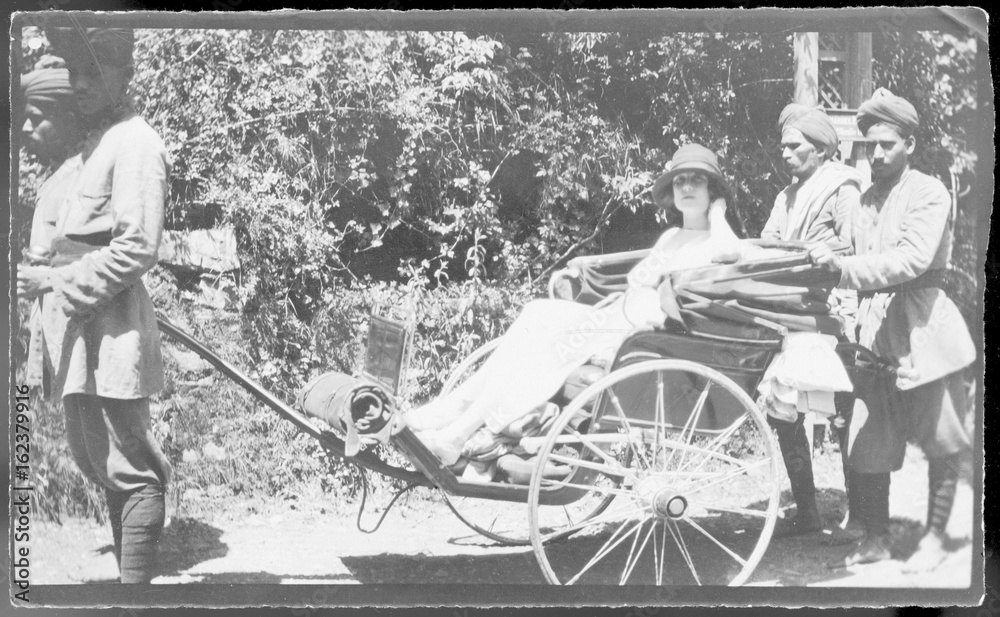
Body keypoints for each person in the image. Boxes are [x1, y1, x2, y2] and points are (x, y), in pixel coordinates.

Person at [406, 143, 740, 465]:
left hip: (645, 335)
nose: (686, 187)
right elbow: (637, 282)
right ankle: (455, 413)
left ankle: (457, 429)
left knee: (542, 348)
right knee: (535, 314)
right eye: (680, 180)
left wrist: (720, 213)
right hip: (616, 318)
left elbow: (731, 255)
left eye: (697, 180)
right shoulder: (671, 237)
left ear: (713, 191)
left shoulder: (717, 239)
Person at [17, 26, 173, 584]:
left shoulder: (136, 143)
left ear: (123, 75)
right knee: (98, 462)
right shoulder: (96, 140)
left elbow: (136, 248)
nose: (80, 82)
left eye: (94, 70)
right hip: (78, 334)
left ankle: (136, 596)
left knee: (131, 468)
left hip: (111, 331)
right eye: (74, 69)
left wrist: (56, 284)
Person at [810, 89, 975, 570]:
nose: (876, 154)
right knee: (869, 440)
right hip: (874, 332)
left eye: (887, 144)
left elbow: (910, 260)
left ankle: (936, 538)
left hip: (924, 328)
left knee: (941, 440)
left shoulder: (929, 192)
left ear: (910, 145)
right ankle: (877, 536)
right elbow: (843, 250)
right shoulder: (862, 199)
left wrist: (841, 268)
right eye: (869, 146)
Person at [761, 104, 863, 538]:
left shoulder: (844, 189)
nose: (785, 153)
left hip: (833, 313)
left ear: (821, 150)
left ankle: (858, 514)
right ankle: (808, 511)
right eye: (783, 145)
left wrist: (811, 250)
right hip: (790, 312)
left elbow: (856, 245)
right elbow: (767, 241)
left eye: (794, 145)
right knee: (783, 412)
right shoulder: (786, 197)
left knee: (841, 415)